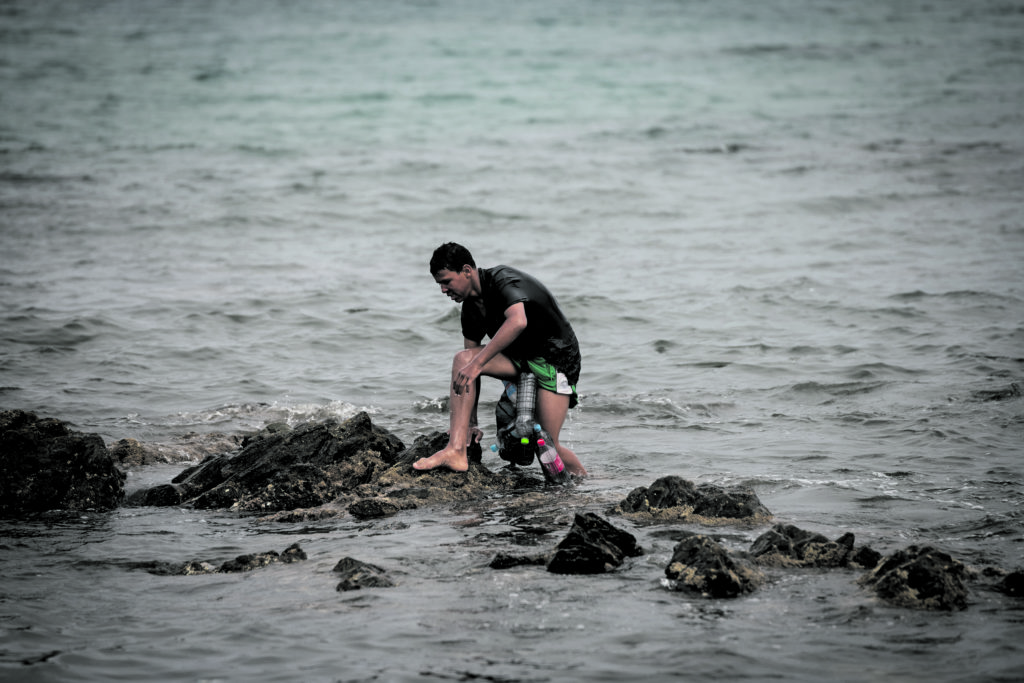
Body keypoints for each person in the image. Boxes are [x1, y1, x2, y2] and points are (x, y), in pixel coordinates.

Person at [413, 242, 587, 476]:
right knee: (462, 360)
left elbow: (518, 321)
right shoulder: (470, 310)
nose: (443, 290)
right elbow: (469, 374)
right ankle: (456, 450)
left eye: (446, 281)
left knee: (546, 444)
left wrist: (477, 364)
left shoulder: (502, 280)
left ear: (466, 270)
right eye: (439, 284)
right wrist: (471, 422)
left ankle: (586, 481)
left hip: (555, 361)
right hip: (521, 359)